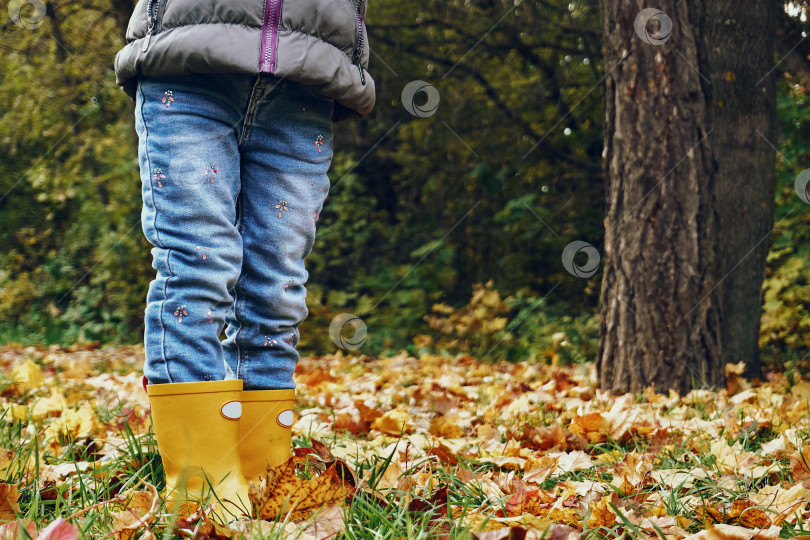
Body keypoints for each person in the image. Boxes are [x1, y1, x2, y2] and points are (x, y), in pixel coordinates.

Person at [113, 0, 375, 521]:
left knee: (277, 286)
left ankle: (263, 472)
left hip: (309, 71)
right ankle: (201, 484)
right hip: (188, 60)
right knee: (197, 267)